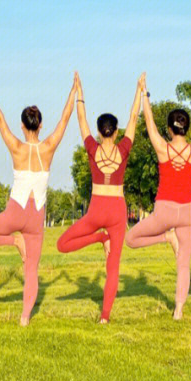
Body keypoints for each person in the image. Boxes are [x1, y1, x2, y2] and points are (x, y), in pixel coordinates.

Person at [0, 74, 79, 325]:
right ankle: (25, 318)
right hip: (36, 217)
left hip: (14, 213)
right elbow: (64, 119)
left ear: (22, 126)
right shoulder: (49, 146)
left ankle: (13, 241)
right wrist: (73, 92)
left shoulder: (16, 147)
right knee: (31, 271)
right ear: (40, 126)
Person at [124, 72, 191, 320]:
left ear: (169, 128)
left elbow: (148, 123)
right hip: (187, 211)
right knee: (183, 264)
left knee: (130, 239)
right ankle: (178, 310)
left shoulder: (162, 148)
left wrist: (144, 93)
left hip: (164, 210)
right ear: (187, 127)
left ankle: (165, 238)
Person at [56, 74, 143, 323]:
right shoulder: (123, 148)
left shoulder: (92, 149)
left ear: (99, 131)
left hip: (96, 210)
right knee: (113, 265)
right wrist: (139, 90)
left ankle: (99, 239)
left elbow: (80, 119)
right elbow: (133, 118)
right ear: (116, 132)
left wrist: (78, 92)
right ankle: (105, 316)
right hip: (117, 210)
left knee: (62, 244)